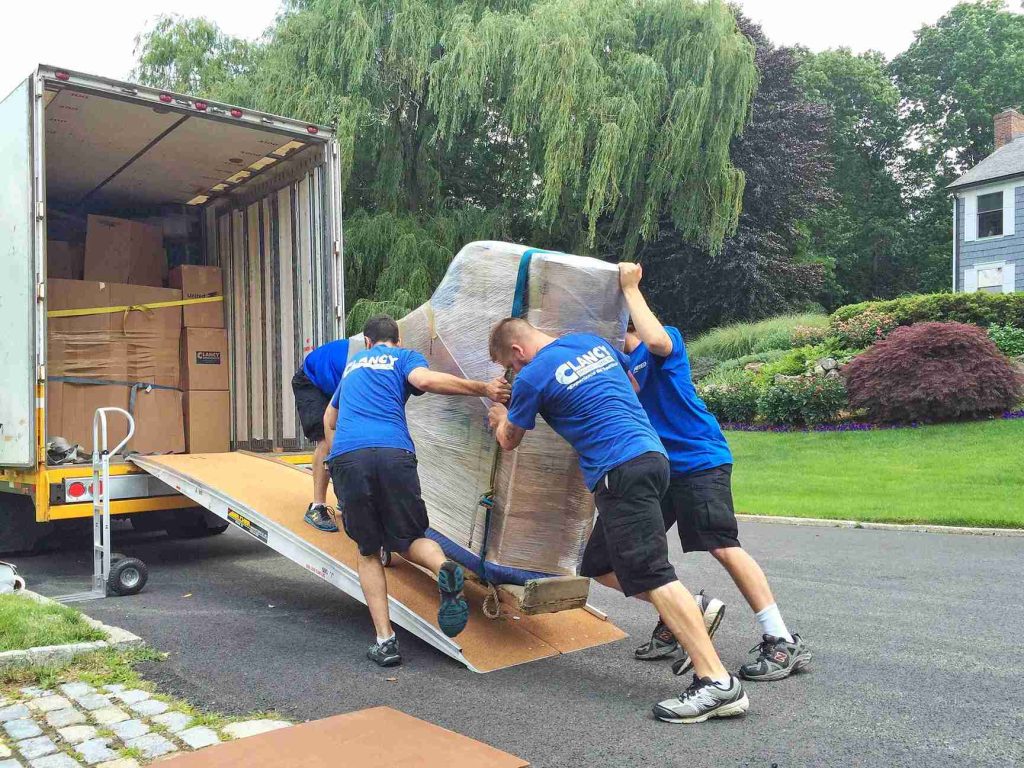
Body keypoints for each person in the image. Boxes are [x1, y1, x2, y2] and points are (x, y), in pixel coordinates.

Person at [486, 318, 749, 725]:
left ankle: (716, 682)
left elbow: (509, 440)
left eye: (510, 365)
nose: (514, 372)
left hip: (619, 470)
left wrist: (500, 414)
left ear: (517, 353)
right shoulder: (590, 342)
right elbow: (633, 390)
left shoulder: (532, 376)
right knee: (599, 565)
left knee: (653, 573)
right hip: (652, 457)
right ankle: (691, 609)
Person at [612, 262, 811, 683]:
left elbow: (656, 338)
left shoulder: (661, 345)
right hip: (659, 468)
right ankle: (679, 616)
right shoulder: (620, 366)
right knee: (620, 558)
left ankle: (781, 640)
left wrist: (630, 288)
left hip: (699, 459)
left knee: (722, 544)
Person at [324, 314, 510, 667]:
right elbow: (424, 380)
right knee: (410, 537)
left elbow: (328, 421)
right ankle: (443, 569)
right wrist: (484, 388)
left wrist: (337, 461)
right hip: (395, 453)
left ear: (366, 342)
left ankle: (386, 640)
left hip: (350, 456)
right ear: (397, 340)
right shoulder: (404, 357)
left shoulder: (351, 368)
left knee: (368, 552)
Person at [291, 338, 350, 532]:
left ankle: (347, 498)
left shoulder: (384, 357)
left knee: (349, 437)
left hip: (332, 383)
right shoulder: (354, 364)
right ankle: (317, 507)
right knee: (326, 440)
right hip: (310, 382)